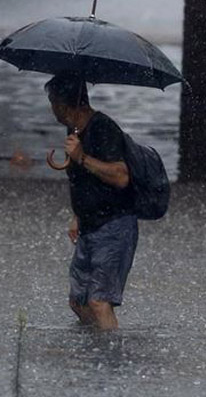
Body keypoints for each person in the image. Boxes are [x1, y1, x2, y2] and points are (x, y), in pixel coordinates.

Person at [45, 74, 137, 331]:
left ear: (64, 104)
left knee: (98, 301)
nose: (51, 108)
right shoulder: (73, 131)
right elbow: (83, 181)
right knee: (78, 301)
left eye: (52, 101)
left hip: (114, 226)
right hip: (89, 226)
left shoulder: (104, 128)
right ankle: (93, 350)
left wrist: (82, 157)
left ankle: (111, 356)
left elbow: (121, 176)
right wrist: (77, 215)